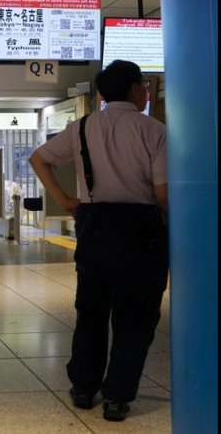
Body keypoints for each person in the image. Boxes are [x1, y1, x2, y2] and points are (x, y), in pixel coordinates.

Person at [28, 60, 168, 423]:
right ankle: (118, 398)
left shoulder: (82, 127)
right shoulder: (154, 130)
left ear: (104, 93)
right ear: (136, 90)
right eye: (144, 86)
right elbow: (162, 192)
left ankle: (85, 387)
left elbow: (39, 159)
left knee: (91, 311)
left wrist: (64, 199)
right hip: (141, 231)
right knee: (135, 318)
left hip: (95, 226)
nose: (146, 92)